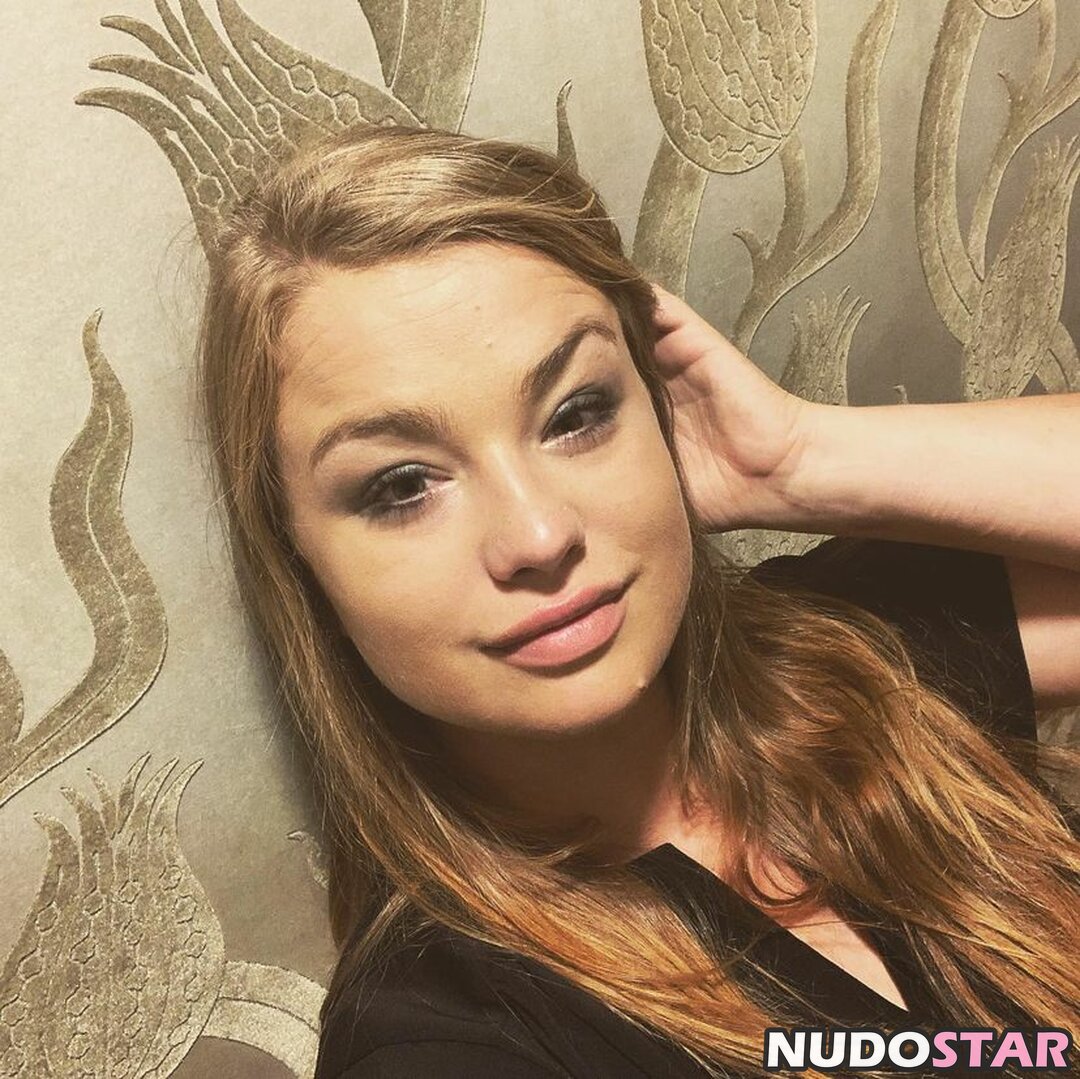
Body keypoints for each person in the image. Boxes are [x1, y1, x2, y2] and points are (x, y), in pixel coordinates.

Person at [195, 124, 1080, 1078]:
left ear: (655, 406)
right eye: (402, 484)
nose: (539, 535)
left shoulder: (853, 653)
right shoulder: (442, 1036)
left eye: (576, 414)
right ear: (301, 556)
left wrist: (796, 456)